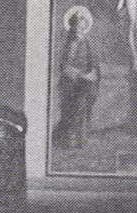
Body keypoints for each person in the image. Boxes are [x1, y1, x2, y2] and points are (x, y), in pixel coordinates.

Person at [51, 6, 98, 150]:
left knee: (82, 109)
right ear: (72, 27)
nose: (79, 30)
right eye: (77, 27)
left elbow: (94, 63)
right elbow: (64, 66)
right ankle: (68, 139)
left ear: (85, 28)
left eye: (82, 28)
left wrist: (92, 74)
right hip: (69, 83)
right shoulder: (68, 44)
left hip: (84, 84)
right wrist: (81, 75)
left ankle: (80, 140)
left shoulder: (88, 43)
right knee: (69, 110)